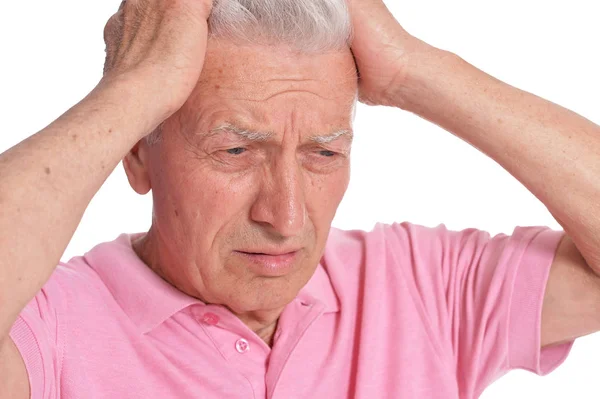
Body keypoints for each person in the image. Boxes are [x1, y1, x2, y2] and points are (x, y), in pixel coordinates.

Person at [1, 0, 599, 397]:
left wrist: (412, 69)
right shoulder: (47, 324)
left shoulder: (422, 288)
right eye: (235, 152)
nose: (285, 216)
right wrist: (135, 88)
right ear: (136, 153)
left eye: (324, 153)